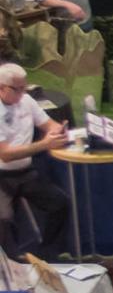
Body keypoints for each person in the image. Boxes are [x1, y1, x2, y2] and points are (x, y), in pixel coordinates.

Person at [0, 63, 70, 260]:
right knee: (3, 219)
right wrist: (44, 144)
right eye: (18, 89)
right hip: (1, 175)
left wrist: (58, 130)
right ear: (2, 88)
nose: (23, 93)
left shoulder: (27, 101)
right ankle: (12, 266)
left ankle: (47, 256)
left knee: (59, 203)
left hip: (25, 173)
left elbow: (48, 124)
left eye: (25, 87)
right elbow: (5, 154)